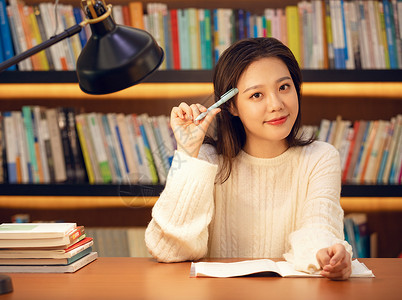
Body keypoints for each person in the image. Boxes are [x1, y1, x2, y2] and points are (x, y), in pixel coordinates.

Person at [145, 37, 352, 280]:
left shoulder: (320, 157)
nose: (276, 104)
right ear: (231, 105)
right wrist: (188, 153)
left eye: (284, 87)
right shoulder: (206, 160)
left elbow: (319, 227)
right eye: (256, 95)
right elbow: (168, 250)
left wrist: (327, 254)